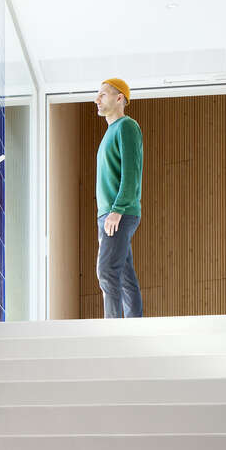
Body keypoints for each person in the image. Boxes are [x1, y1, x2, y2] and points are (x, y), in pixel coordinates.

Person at [94, 78, 143, 318]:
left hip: (118, 213)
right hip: (109, 214)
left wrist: (118, 209)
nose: (97, 99)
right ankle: (134, 326)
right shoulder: (109, 133)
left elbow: (131, 172)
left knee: (106, 271)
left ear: (119, 98)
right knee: (123, 274)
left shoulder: (126, 126)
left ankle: (112, 330)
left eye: (102, 94)